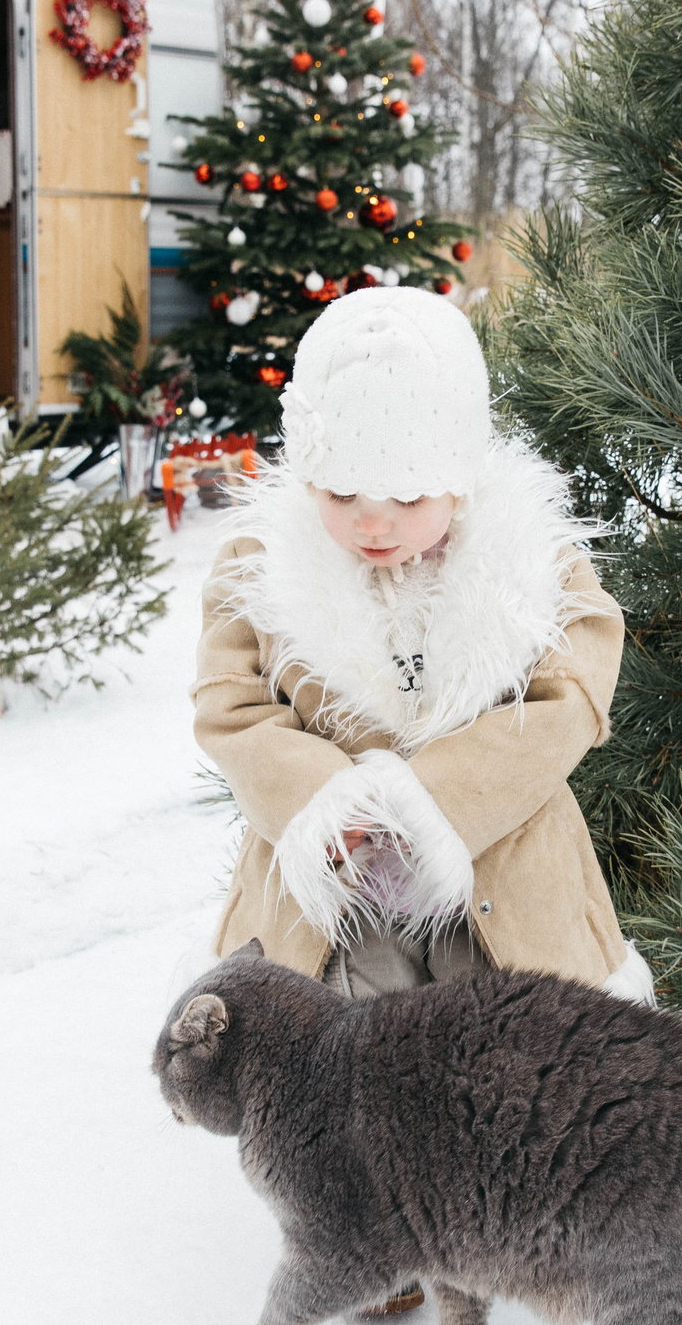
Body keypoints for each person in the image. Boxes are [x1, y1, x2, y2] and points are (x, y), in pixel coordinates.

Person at [191, 284, 653, 1016]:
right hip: (336, 894)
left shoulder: (534, 566)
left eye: (407, 497)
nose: (373, 523)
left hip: (501, 875)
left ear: (460, 480)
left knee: (515, 1058)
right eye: (342, 493)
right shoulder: (262, 567)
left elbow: (571, 697)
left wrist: (439, 796)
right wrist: (321, 798)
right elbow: (229, 704)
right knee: (341, 1056)